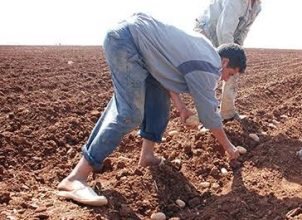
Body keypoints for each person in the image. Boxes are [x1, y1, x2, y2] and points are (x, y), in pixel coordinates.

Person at [57, 12, 247, 206]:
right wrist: (229, 148)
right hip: (127, 42)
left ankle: (147, 156)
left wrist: (181, 107)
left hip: (137, 44)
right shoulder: (210, 66)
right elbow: (209, 116)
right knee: (130, 114)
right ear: (224, 62)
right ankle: (76, 178)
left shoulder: (204, 49)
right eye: (229, 73)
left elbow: (165, 73)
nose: (225, 79)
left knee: (158, 98)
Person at [194, 0, 262, 121]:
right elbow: (224, 30)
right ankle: (205, 117)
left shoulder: (257, 7)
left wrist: (237, 51)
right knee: (209, 71)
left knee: (233, 70)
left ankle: (227, 113)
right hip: (207, 32)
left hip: (227, 36)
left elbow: (244, 31)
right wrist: (230, 56)